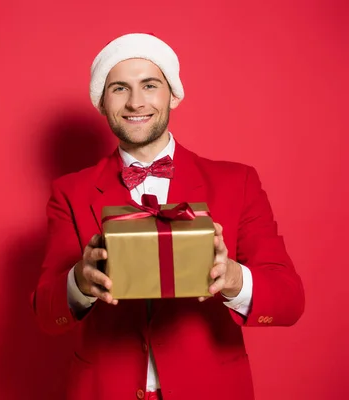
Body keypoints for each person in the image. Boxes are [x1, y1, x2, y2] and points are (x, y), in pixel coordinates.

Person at [30, 33, 304, 400]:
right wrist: (80, 280)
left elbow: (289, 300)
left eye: (149, 85)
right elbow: (47, 315)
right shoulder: (70, 192)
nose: (135, 102)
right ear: (101, 103)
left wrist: (234, 278)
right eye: (119, 89)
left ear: (173, 94)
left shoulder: (237, 182)